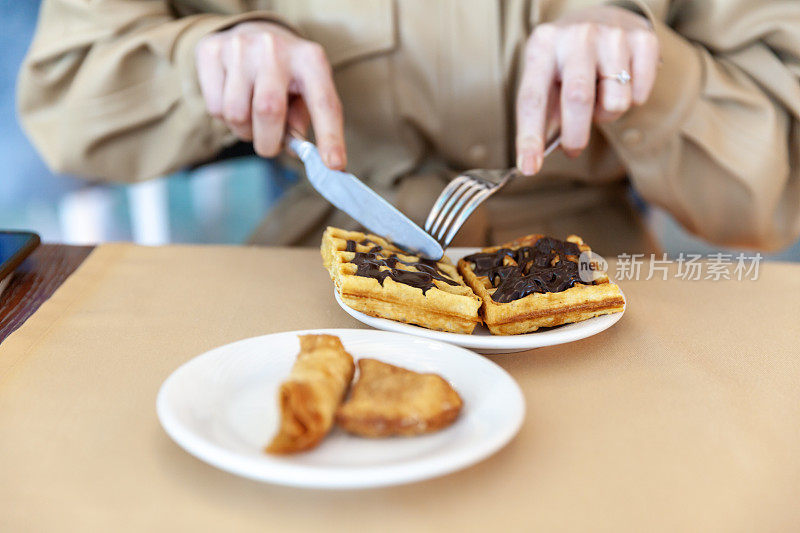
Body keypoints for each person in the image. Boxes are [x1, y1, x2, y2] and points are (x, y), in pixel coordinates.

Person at [17, 0, 800, 255]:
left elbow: (779, 180)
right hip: (312, 269)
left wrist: (650, 70)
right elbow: (65, 94)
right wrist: (206, 60)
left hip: (606, 279)